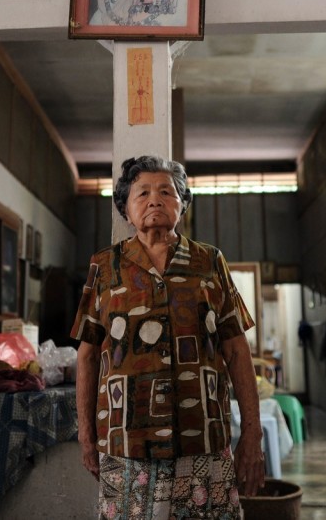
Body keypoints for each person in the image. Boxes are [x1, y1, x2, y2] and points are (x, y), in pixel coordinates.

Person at [72, 155, 265, 520]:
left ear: (183, 204)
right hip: (125, 441)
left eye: (167, 192)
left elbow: (237, 351)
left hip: (201, 439)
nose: (155, 200)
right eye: (142, 193)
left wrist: (251, 436)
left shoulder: (209, 261)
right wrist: (85, 436)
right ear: (125, 210)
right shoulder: (104, 266)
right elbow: (86, 355)